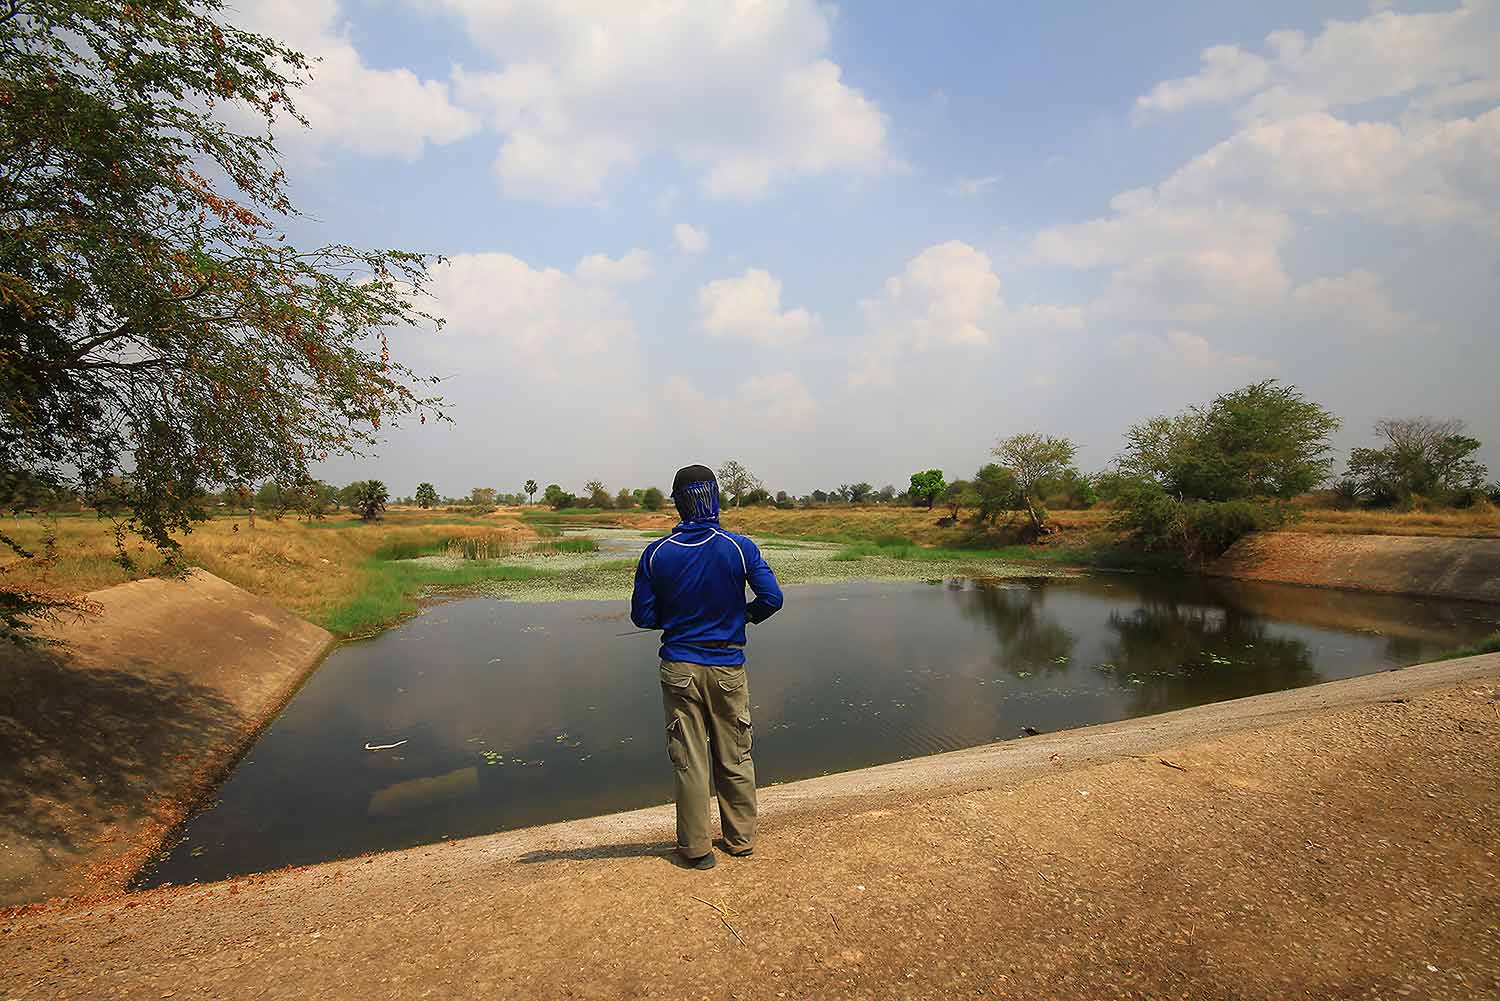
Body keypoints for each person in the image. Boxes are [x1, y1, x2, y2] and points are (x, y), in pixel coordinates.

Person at [630, 464, 784, 869]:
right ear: (714, 497)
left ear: (677, 501)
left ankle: (697, 851)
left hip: (679, 667)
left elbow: (643, 617)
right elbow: (772, 599)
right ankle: (740, 840)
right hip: (727, 668)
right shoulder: (739, 547)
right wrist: (743, 616)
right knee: (735, 755)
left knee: (690, 760)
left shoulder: (656, 553)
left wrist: (677, 618)